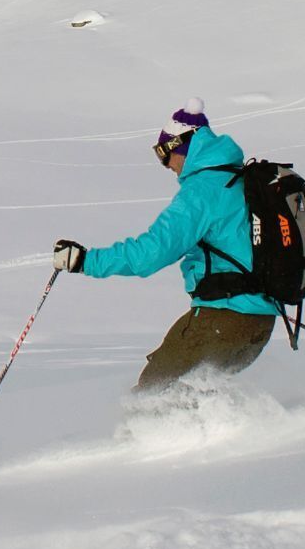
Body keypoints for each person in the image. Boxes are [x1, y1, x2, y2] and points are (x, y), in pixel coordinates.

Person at [54, 99, 282, 392]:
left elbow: (151, 253)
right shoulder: (238, 180)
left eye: (164, 154)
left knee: (152, 392)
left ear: (183, 145)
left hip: (223, 318)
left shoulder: (201, 192)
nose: (167, 165)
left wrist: (85, 261)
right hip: (259, 323)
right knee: (189, 394)